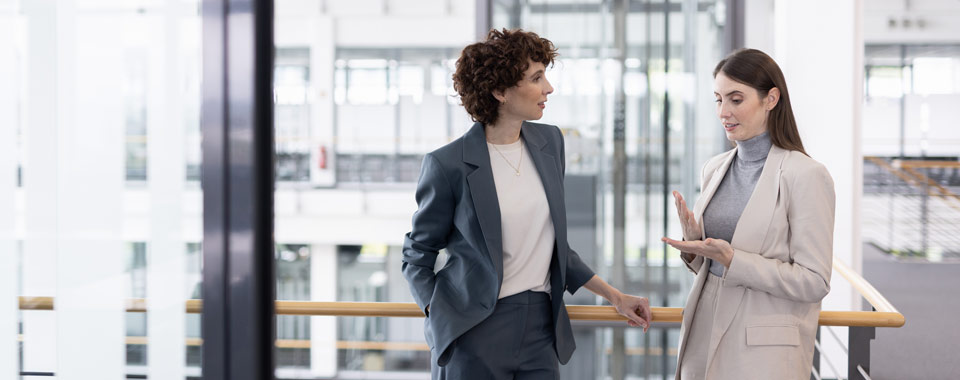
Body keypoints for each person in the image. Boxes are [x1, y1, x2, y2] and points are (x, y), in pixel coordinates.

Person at [402, 28, 652, 380]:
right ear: (500, 91)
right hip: (475, 330)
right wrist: (440, 312)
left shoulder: (550, 143)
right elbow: (417, 253)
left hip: (540, 328)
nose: (548, 88)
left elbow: (551, 243)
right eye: (536, 78)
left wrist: (613, 295)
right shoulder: (449, 164)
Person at [661, 48, 836, 380]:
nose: (723, 111)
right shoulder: (715, 168)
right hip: (703, 332)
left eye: (736, 99)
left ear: (771, 99)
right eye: (718, 99)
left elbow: (814, 281)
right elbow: (711, 268)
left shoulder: (806, 175)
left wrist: (732, 259)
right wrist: (694, 244)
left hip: (761, 350)